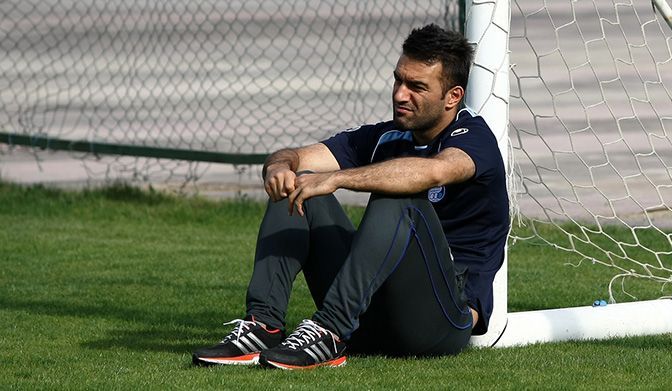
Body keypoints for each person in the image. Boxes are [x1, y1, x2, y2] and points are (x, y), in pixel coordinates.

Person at [192, 23, 509, 370]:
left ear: (453, 97)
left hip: (439, 323)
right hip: (370, 318)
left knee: (400, 195)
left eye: (416, 87)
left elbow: (432, 172)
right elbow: (294, 156)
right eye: (398, 80)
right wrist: (279, 170)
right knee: (299, 185)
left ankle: (329, 330)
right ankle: (262, 327)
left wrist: (338, 179)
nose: (401, 95)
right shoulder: (386, 136)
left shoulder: (473, 138)